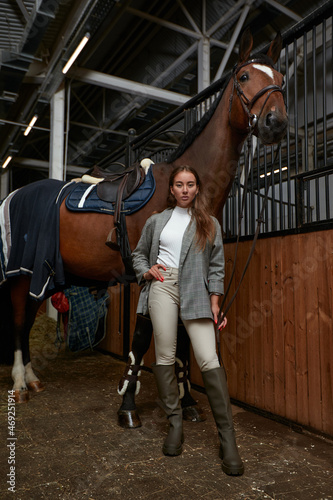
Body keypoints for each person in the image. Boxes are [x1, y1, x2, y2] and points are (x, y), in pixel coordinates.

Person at [131, 165, 244, 476]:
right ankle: (175, 424)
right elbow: (138, 254)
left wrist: (215, 303)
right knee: (165, 356)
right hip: (162, 288)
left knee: (209, 358)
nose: (184, 189)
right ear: (171, 189)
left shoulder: (209, 223)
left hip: (196, 290)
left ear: (197, 188)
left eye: (190, 184)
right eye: (179, 184)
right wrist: (147, 270)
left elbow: (217, 267)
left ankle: (228, 440)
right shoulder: (156, 222)